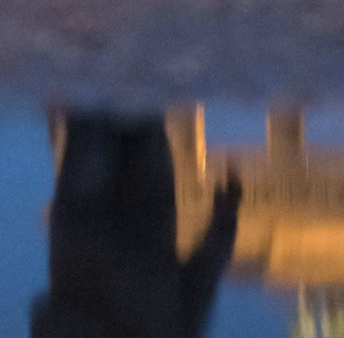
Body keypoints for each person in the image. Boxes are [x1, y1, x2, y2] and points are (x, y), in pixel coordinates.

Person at [32, 111, 240, 338]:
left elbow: (45, 316)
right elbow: (201, 284)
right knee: (138, 111)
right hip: (141, 218)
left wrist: (225, 220)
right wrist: (225, 219)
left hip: (91, 223)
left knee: (93, 117)